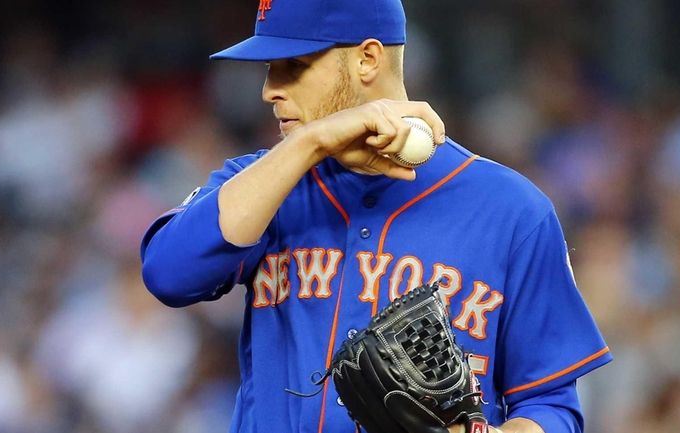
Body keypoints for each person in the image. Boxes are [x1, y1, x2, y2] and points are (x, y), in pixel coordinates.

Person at [140, 0, 612, 432]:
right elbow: (169, 274)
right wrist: (310, 143)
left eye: (294, 67)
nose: (269, 90)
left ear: (368, 58)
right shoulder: (261, 184)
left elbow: (551, 406)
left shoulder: (512, 211)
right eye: (269, 69)